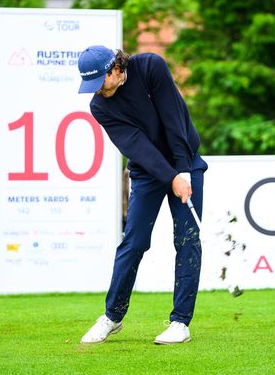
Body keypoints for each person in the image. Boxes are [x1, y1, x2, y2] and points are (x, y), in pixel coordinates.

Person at [76, 45, 208, 345]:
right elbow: (136, 145)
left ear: (115, 69)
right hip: (147, 171)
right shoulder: (100, 107)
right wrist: (171, 177)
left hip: (185, 160)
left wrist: (183, 170)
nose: (96, 90)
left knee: (187, 239)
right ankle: (112, 316)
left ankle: (180, 322)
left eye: (99, 82)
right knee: (134, 242)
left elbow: (174, 118)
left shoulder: (149, 67)